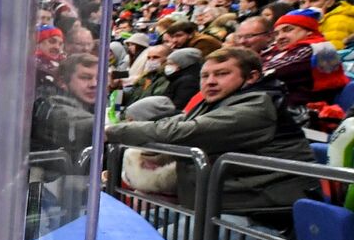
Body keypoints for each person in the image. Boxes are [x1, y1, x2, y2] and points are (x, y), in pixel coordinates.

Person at [106, 47, 315, 227]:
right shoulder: (215, 102)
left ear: (251, 77)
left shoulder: (258, 106)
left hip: (258, 213)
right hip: (216, 205)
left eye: (222, 74)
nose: (211, 82)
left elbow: (184, 132)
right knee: (119, 228)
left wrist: (110, 132)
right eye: (205, 76)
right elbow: (175, 123)